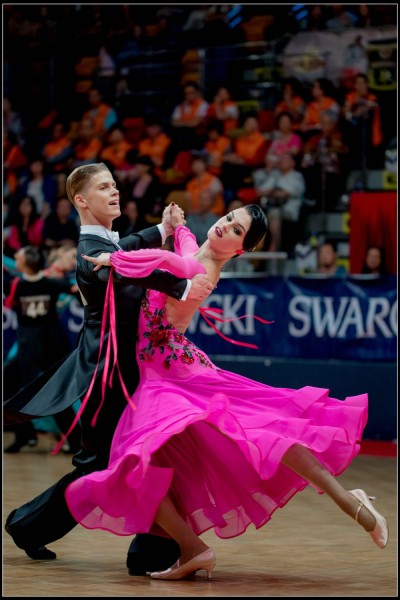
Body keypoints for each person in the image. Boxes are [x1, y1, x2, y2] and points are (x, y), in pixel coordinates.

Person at [64, 204, 387, 582]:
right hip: (169, 368)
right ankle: (194, 549)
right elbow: (186, 246)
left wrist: (115, 259)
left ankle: (347, 501)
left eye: (236, 230)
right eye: (230, 218)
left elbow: (167, 260)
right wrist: (179, 227)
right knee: (245, 435)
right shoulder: (198, 254)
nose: (225, 226)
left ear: (242, 249)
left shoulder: (202, 270)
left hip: (171, 376)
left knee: (255, 432)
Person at [4, 162, 214, 573]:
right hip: (107, 372)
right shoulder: (90, 254)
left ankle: (153, 548)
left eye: (115, 184)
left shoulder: (106, 245)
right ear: (81, 200)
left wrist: (164, 228)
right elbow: (129, 268)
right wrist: (182, 285)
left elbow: (127, 248)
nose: (114, 191)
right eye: (104, 187)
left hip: (131, 366)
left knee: (145, 451)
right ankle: (29, 526)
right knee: (100, 466)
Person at [3, 245, 81, 454]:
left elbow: (76, 292)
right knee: (14, 389)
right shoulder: (45, 283)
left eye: (19, 255)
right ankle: (27, 435)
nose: (15, 256)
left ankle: (74, 441)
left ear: (25, 264)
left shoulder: (33, 284)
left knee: (54, 395)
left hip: (45, 349)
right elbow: (75, 291)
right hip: (33, 349)